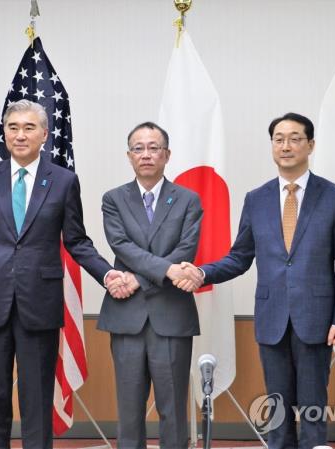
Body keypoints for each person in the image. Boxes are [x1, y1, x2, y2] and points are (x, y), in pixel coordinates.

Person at [0, 99, 129, 449]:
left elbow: (77, 241)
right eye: (13, 127)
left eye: (29, 127)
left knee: (36, 397)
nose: (20, 135)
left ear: (45, 134)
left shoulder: (64, 181)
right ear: (4, 132)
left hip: (40, 303)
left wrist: (108, 275)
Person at [177, 113, 335, 449]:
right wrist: (203, 273)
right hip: (272, 317)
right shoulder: (256, 199)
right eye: (278, 139)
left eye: (294, 138)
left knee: (313, 404)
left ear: (310, 145)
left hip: (317, 319)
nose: (285, 146)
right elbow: (239, 257)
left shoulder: (334, 197)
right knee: (277, 405)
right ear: (272, 146)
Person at [99, 122, 203, 449]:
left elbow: (185, 252)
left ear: (167, 155)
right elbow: (121, 246)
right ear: (129, 156)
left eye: (153, 147)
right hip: (126, 316)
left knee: (172, 408)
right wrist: (164, 272)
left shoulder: (188, 200)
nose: (146, 154)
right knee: (129, 410)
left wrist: (138, 278)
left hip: (171, 316)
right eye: (138, 148)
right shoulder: (114, 199)